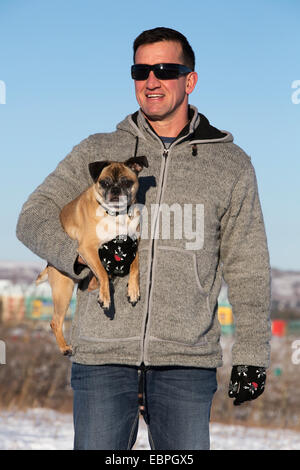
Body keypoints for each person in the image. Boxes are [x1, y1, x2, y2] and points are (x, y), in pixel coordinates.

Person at [16, 27, 271, 450]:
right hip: (102, 357)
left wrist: (252, 353)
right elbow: (32, 217)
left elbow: (249, 264)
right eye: (141, 70)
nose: (151, 80)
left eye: (165, 69)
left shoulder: (231, 164)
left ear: (189, 80)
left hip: (186, 364)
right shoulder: (96, 150)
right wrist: (80, 261)